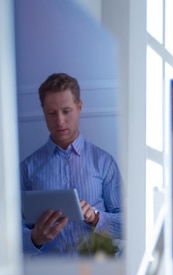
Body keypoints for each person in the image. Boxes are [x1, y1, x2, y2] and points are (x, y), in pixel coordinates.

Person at [20, 72, 123, 256]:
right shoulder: (27, 169)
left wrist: (96, 218)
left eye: (66, 111)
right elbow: (9, 233)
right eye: (51, 113)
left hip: (99, 274)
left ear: (79, 106)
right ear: (43, 111)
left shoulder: (104, 163)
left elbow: (128, 225)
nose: (59, 121)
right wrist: (35, 238)